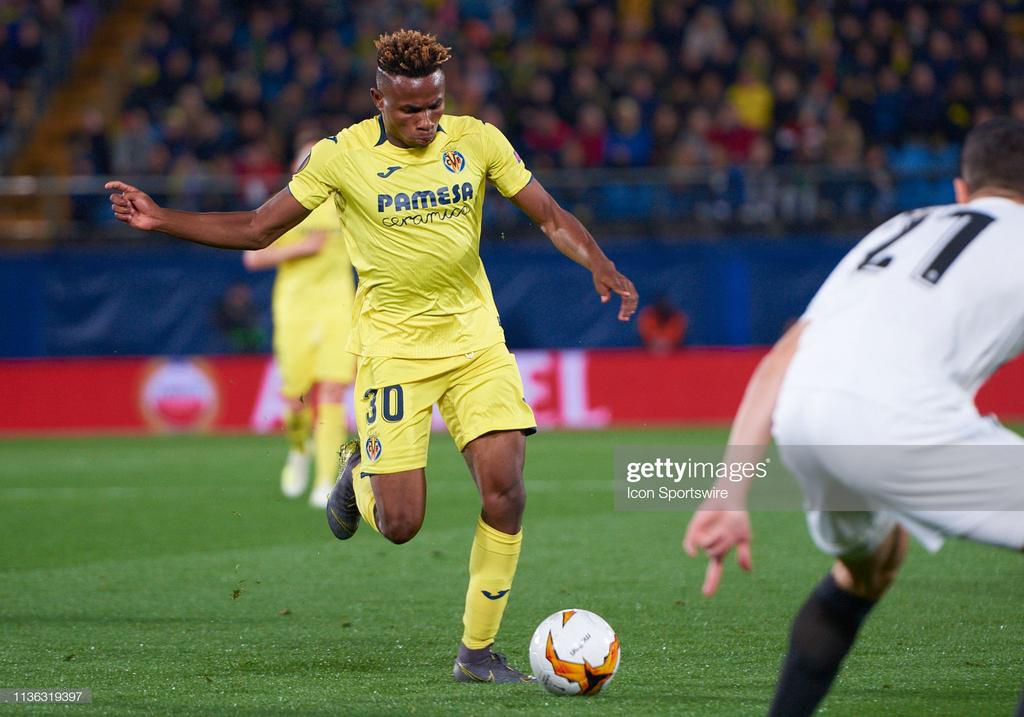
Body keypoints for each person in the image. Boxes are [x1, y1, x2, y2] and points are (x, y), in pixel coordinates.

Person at [107, 29, 637, 684]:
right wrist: (164, 218)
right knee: (402, 524)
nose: (425, 121)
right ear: (378, 99)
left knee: (505, 490)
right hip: (393, 352)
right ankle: (357, 477)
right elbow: (256, 228)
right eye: (410, 109)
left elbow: (550, 214)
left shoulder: (477, 141)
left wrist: (599, 262)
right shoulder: (339, 158)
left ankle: (476, 653)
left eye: (434, 107)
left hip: (475, 341)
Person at [683, 117, 1024, 716]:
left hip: (807, 419)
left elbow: (782, 358)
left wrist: (729, 491)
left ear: (961, 190)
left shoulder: (901, 226)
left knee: (869, 566)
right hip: (901, 423)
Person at [243, 138, 356, 508]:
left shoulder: (348, 203)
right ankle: (298, 449)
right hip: (295, 309)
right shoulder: (289, 206)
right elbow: (252, 259)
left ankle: (327, 480)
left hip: (338, 305)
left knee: (334, 392)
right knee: (295, 397)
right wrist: (300, 249)